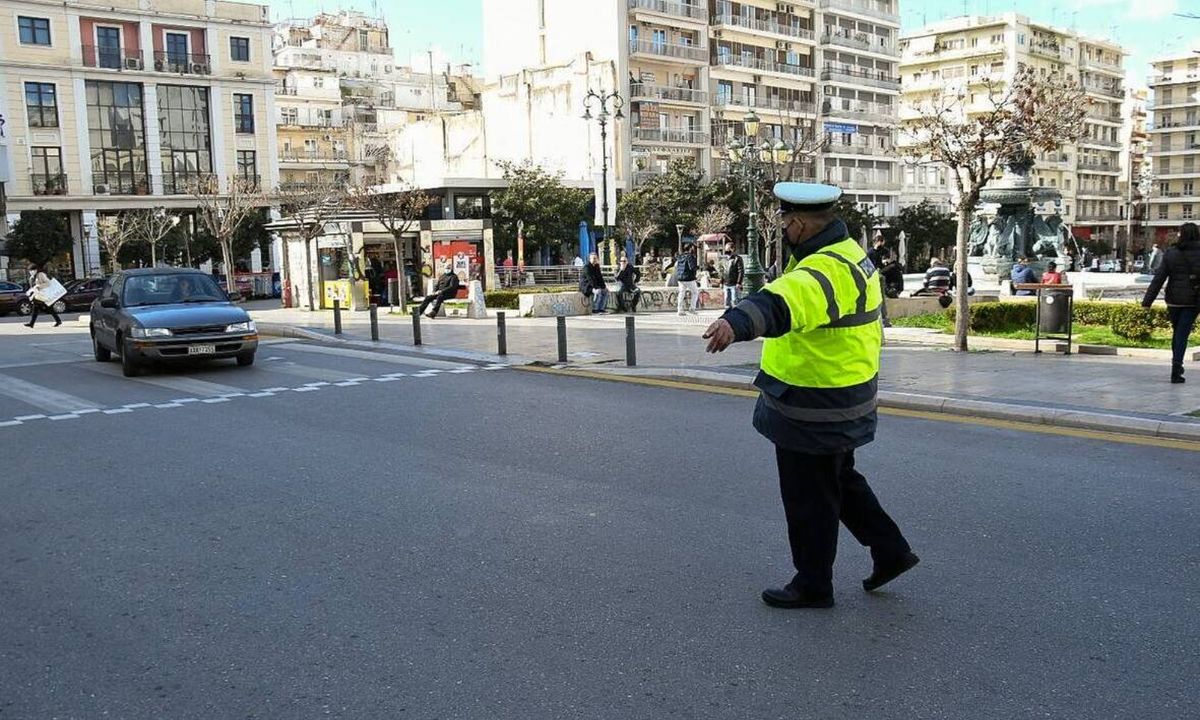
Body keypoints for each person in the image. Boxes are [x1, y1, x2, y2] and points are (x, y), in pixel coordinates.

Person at [702, 182, 918, 610]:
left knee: (809, 498)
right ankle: (891, 550)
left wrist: (735, 322)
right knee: (839, 481)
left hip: (814, 404)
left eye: (784, 222)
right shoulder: (851, 254)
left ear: (799, 224)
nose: (782, 229)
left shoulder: (822, 269)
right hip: (845, 393)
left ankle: (813, 584)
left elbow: (783, 302)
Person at [1142, 222, 1200, 384]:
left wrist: (1147, 302)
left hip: (1173, 300)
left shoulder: (1171, 253)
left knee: (1178, 332)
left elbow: (1158, 279)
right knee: (1182, 333)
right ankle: (1176, 368)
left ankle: (1177, 366)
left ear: (1182, 235)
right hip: (1193, 300)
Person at [24, 263, 61, 328]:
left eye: (33, 270)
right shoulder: (31, 278)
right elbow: (33, 288)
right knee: (36, 308)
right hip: (38, 296)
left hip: (44, 295)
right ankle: (31, 324)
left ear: (36, 270)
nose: (31, 272)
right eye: (30, 271)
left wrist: (39, 286)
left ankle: (58, 320)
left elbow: (48, 283)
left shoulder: (41, 275)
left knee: (49, 308)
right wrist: (30, 293)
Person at [866, 237, 892, 327]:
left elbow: (886, 261)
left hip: (878, 275)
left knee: (879, 297)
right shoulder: (871, 252)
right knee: (879, 297)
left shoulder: (883, 251)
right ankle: (883, 319)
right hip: (875, 275)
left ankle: (883, 319)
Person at [675, 244, 699, 315]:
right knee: (695, 292)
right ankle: (692, 308)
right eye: (692, 247)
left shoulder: (680, 256)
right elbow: (692, 267)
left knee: (681, 293)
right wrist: (697, 268)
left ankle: (679, 310)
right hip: (689, 278)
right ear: (690, 248)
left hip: (680, 278)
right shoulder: (690, 256)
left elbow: (676, 266)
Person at [721, 242, 744, 310]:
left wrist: (739, 282)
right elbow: (723, 271)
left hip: (734, 284)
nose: (726, 250)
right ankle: (728, 313)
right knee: (727, 301)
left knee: (735, 301)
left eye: (728, 249)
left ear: (732, 249)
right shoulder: (725, 259)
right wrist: (721, 281)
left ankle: (737, 313)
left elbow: (741, 271)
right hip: (726, 283)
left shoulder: (737, 258)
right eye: (726, 249)